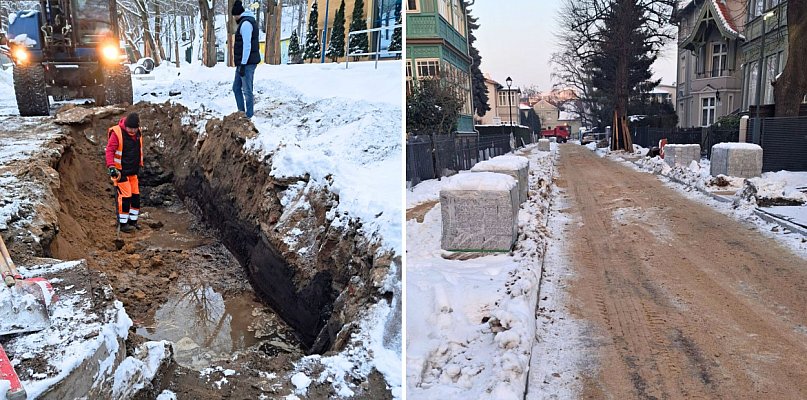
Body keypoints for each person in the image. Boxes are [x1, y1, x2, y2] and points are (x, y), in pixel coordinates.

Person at [106, 113, 143, 233]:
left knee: (136, 197)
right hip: (120, 172)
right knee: (125, 197)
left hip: (133, 171)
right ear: (125, 125)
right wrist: (111, 167)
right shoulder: (117, 133)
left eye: (134, 128)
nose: (132, 131)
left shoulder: (138, 133)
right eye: (130, 128)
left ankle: (133, 221)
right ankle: (123, 223)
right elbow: (110, 150)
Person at [231, 0, 261, 118]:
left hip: (247, 63)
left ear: (238, 15)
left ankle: (249, 116)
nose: (234, 18)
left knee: (247, 90)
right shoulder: (244, 22)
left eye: (234, 16)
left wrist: (243, 64)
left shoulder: (246, 24)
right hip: (242, 63)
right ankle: (241, 113)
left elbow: (247, 45)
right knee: (236, 87)